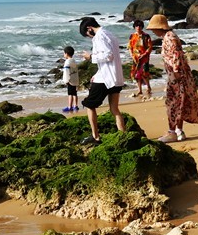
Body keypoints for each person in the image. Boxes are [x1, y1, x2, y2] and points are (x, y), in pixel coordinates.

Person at [146, 14, 198, 142]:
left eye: (153, 28)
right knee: (180, 102)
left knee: (172, 103)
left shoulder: (169, 38)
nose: (152, 31)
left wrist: (175, 73)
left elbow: (176, 56)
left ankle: (172, 132)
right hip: (180, 74)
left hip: (176, 75)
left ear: (159, 27)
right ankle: (178, 130)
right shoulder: (171, 36)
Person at [78, 17, 126, 145]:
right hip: (116, 77)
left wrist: (90, 57)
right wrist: (97, 73)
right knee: (114, 109)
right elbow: (111, 58)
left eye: (87, 35)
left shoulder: (99, 36)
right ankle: (124, 136)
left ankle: (96, 137)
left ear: (89, 29)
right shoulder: (109, 34)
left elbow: (107, 55)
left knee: (89, 105)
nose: (89, 37)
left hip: (106, 79)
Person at [128, 19, 153, 99]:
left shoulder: (146, 36)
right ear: (134, 27)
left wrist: (144, 54)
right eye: (136, 26)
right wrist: (131, 54)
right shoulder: (132, 36)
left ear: (142, 27)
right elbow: (130, 47)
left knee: (144, 74)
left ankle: (148, 87)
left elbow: (149, 47)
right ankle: (140, 90)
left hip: (144, 58)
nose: (138, 27)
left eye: (139, 26)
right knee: (136, 74)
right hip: (135, 58)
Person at [61, 45, 80, 113]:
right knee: (75, 93)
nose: (64, 54)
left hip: (70, 80)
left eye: (64, 53)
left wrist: (66, 80)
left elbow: (66, 72)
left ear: (66, 53)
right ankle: (75, 105)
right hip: (75, 79)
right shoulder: (73, 61)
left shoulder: (67, 62)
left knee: (70, 94)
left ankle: (70, 106)